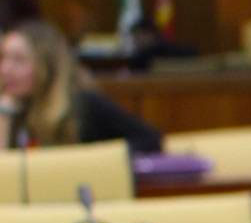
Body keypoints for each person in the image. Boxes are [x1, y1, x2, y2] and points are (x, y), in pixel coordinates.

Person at [0, 19, 163, 153]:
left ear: (48, 66)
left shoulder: (85, 104)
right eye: (3, 58)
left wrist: (92, 160)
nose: (5, 69)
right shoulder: (13, 106)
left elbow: (150, 139)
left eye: (19, 60)